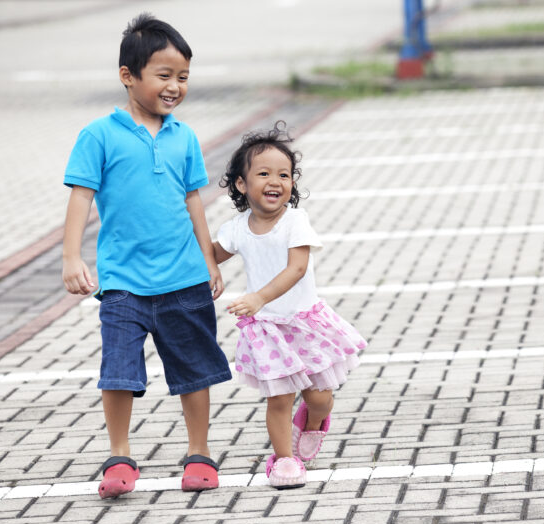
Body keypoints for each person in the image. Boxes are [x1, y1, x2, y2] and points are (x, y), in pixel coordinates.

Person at [61, 13, 231, 498]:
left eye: (183, 77)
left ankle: (199, 454)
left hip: (184, 275)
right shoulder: (100, 135)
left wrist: (210, 259)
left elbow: (194, 200)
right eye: (164, 75)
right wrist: (72, 257)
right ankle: (120, 456)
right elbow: (80, 196)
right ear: (128, 76)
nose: (175, 86)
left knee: (195, 368)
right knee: (118, 369)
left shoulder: (184, 137)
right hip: (123, 280)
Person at [214, 122, 367, 489]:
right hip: (267, 330)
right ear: (241, 184)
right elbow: (208, 254)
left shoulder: (295, 221)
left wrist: (257, 298)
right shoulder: (237, 228)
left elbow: (297, 268)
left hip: (305, 323)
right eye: (263, 173)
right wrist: (206, 269)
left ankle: (314, 422)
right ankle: (284, 459)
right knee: (278, 398)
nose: (275, 181)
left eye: (284, 174)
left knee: (320, 398)